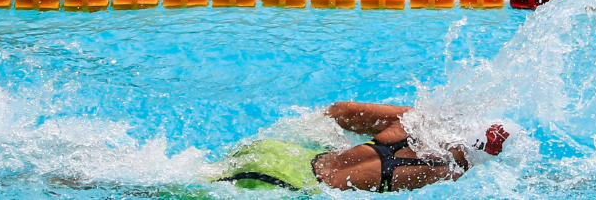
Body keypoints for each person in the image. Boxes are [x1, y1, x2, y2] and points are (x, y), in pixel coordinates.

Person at [215, 101, 509, 193]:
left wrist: (335, 144)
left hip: (279, 152)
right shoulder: (449, 173)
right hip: (284, 187)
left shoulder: (416, 121)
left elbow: (341, 111)